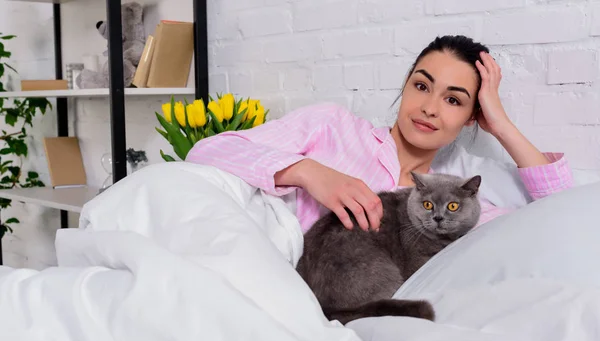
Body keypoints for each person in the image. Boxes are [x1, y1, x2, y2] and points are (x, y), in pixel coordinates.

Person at [185, 35, 573, 234]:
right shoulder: (332, 127)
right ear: (406, 86)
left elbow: (565, 215)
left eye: (453, 101)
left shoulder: (455, 205)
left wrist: (501, 124)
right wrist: (308, 172)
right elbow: (207, 151)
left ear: (472, 117)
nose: (430, 108)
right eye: (422, 87)